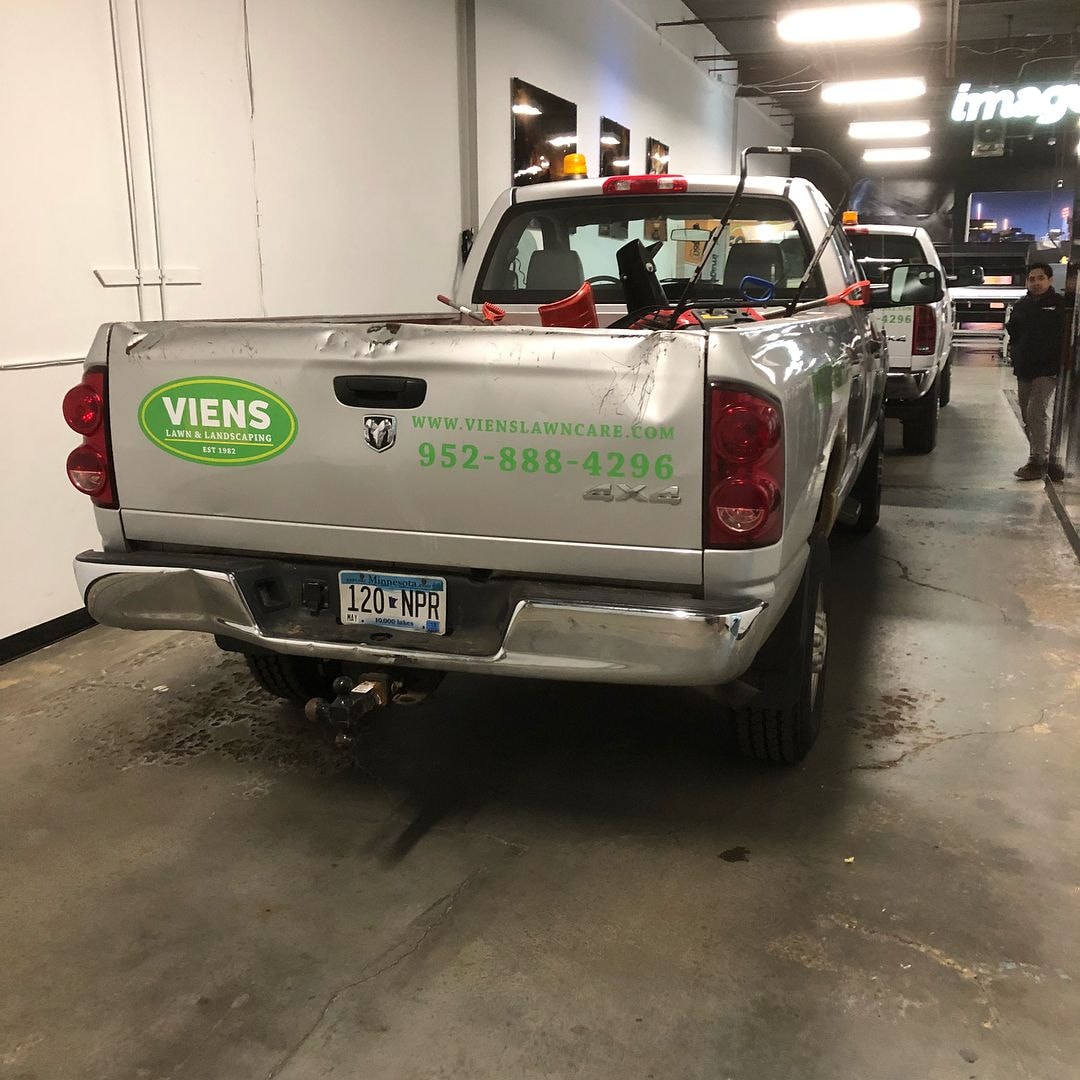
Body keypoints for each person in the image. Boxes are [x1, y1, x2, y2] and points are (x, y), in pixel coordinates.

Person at [1006, 262, 1065, 481]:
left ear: (1050, 280)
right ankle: (1039, 455)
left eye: (1040, 278)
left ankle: (1039, 461)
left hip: (1048, 368)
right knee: (1026, 414)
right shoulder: (1021, 306)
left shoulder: (1060, 305)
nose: (1036, 283)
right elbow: (1014, 332)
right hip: (1025, 367)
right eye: (1032, 279)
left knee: (1036, 412)